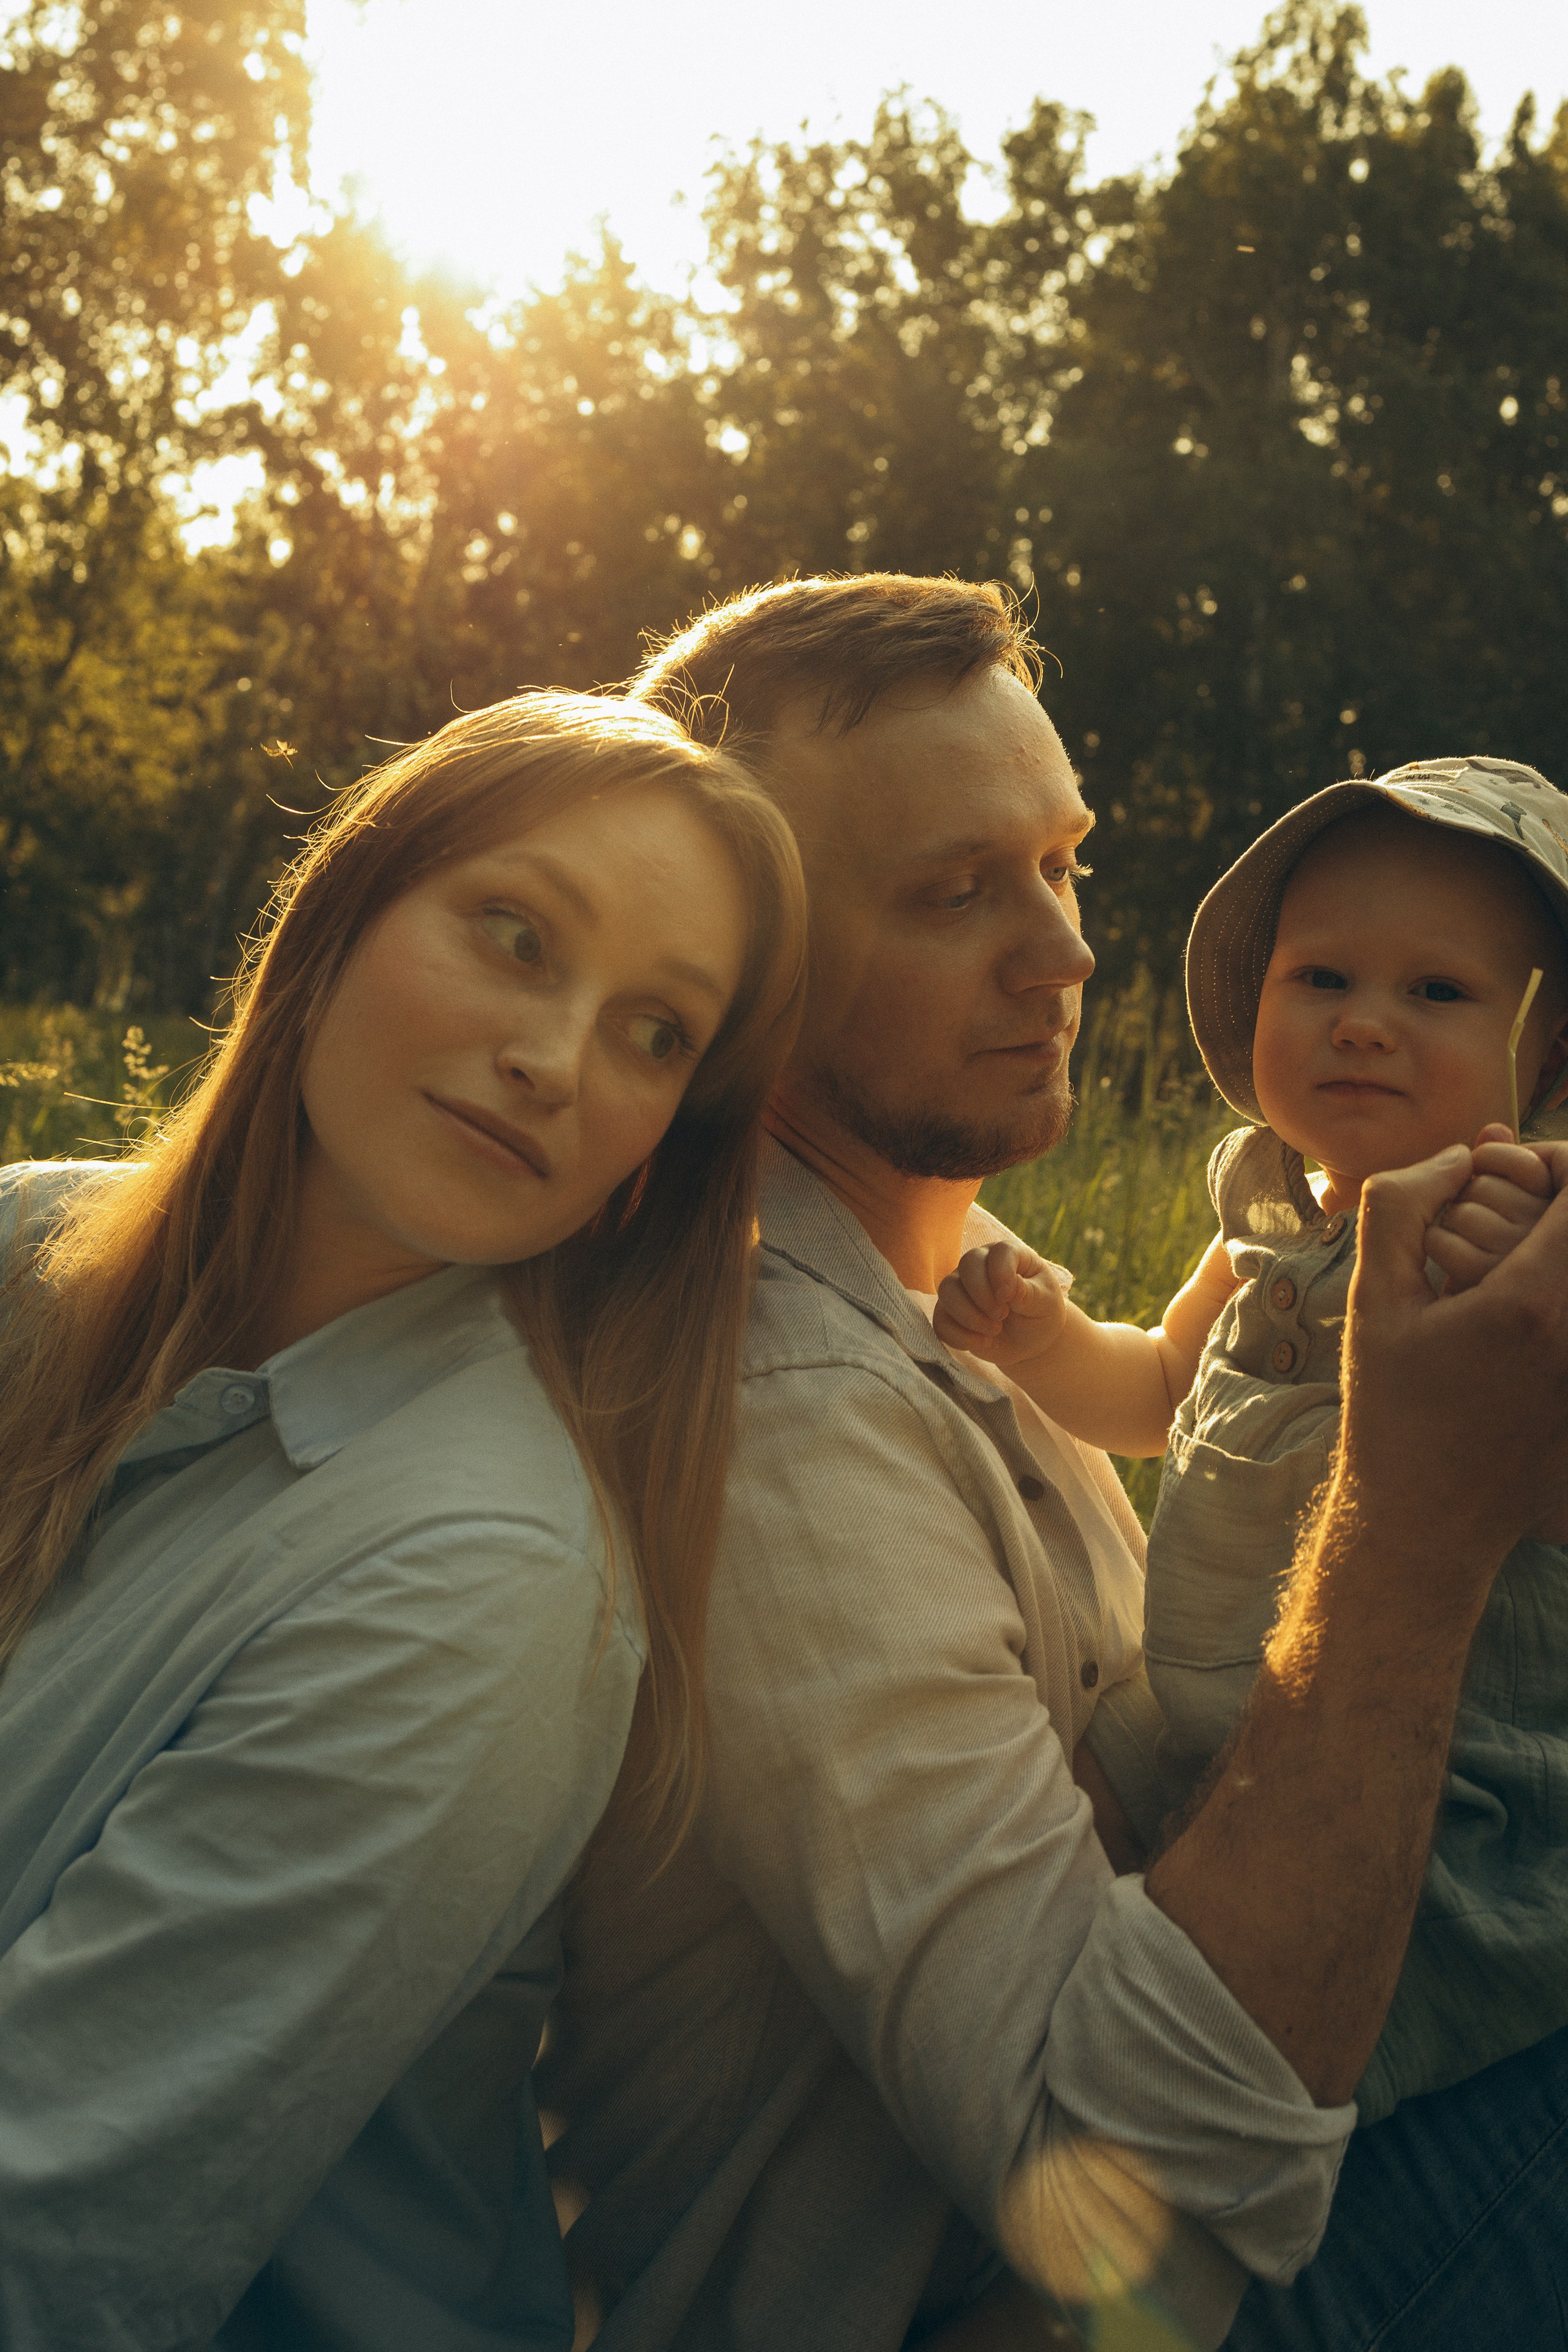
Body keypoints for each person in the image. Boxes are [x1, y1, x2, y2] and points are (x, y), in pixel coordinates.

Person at [538, 579, 1568, 2352]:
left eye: (1060, 865)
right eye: (952, 895)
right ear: (736, 974)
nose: (1066, 956)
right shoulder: (784, 1410)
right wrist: (1415, 1527)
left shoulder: (961, 1287)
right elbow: (1130, 2174)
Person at [0, 690, 805, 2351]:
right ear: (343, 908)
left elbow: (49, 2251)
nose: (555, 1060)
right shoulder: (22, 1254)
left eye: (655, 1031)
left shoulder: (481, 1576)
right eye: (517, 936)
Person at [933, 757, 1568, 2126]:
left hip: (1435, 1792)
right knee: (1062, 1828)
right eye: (1320, 978)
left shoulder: (1523, 1253)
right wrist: (1042, 1340)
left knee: (1300, 2058)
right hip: (1215, 1742)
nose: (1363, 1024)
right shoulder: (1265, 1231)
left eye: (1436, 992)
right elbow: (1162, 1387)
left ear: (1549, 1054)